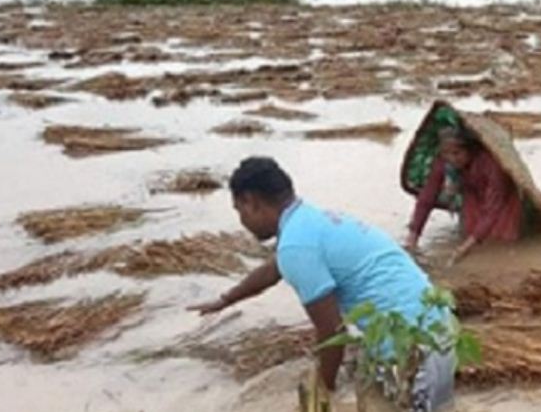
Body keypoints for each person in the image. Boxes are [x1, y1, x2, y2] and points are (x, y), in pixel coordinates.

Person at [188, 157, 455, 411]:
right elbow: (273, 270)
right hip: (437, 331)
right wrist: (226, 299)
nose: (242, 220)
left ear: (251, 201)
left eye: (239, 210)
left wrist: (323, 393)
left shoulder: (296, 244)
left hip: (415, 355)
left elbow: (332, 333)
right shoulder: (309, 220)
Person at [406, 127, 527, 265]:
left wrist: (464, 248)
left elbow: (493, 209)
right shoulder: (443, 162)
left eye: (457, 153)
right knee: (471, 234)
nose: (451, 158)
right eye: (446, 153)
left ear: (470, 150)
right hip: (473, 197)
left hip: (503, 203)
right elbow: (427, 197)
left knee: (501, 244)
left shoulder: (490, 164)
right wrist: (413, 236)